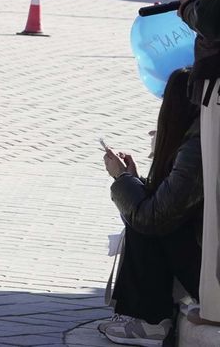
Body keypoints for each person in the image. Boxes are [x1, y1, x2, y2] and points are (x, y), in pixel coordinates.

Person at [99, 66, 201, 346]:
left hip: (205, 265)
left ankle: (150, 320)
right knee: (142, 204)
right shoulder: (198, 139)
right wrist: (133, 179)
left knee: (142, 217)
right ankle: (144, 318)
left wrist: (123, 179)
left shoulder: (195, 148)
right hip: (202, 255)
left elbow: (152, 217)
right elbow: (169, 200)